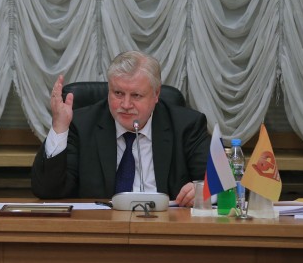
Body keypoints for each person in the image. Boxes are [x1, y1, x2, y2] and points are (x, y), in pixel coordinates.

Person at [31, 50, 210, 206]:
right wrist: (60, 127)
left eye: (136, 95)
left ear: (156, 94)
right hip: (103, 228)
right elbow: (47, 191)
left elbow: (219, 185)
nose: (125, 104)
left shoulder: (187, 126)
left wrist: (203, 190)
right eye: (118, 93)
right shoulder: (81, 125)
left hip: (165, 227)